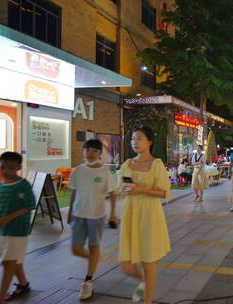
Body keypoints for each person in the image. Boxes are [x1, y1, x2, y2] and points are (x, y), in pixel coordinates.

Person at [118, 126, 171, 304]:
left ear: (149, 141)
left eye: (139, 138)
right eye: (133, 139)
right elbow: (122, 187)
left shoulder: (157, 164)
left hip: (149, 214)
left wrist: (140, 189)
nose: (135, 142)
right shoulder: (127, 164)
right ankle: (143, 281)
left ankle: (147, 300)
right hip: (130, 212)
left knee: (148, 261)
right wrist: (123, 191)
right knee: (126, 265)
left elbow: (163, 193)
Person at [67, 139, 117, 300]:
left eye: (94, 151)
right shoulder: (78, 171)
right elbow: (73, 192)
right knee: (76, 249)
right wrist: (69, 212)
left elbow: (112, 193)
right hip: (78, 214)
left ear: (99, 154)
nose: (90, 153)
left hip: (96, 215)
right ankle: (94, 258)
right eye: (87, 150)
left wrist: (112, 214)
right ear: (84, 151)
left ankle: (88, 281)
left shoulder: (104, 173)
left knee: (94, 246)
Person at [0, 152, 35, 304]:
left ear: (19, 167)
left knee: (8, 263)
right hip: (3, 231)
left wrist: (7, 218)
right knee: (15, 261)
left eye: (11, 167)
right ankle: (23, 285)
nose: (6, 171)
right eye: (3, 167)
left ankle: (0, 298)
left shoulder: (23, 185)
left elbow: (28, 206)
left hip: (18, 231)